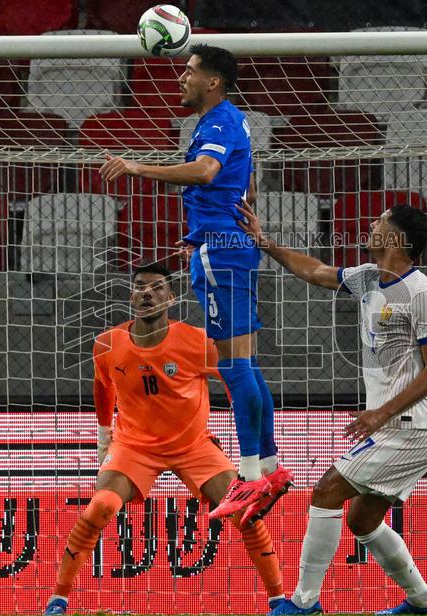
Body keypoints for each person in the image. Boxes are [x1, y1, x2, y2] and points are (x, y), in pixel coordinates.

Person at [99, 44, 290, 524]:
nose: (181, 78)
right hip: (224, 245)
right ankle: (268, 468)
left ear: (213, 81)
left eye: (189, 71)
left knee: (233, 366)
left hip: (221, 253)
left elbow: (206, 172)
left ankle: (248, 479)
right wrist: (228, 221)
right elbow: (245, 179)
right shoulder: (230, 120)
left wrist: (137, 167)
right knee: (244, 362)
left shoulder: (220, 121)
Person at [237, 201, 427, 616]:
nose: (371, 224)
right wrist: (265, 244)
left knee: (327, 490)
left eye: (380, 220)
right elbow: (316, 272)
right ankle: (424, 604)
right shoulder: (371, 278)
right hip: (398, 423)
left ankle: (302, 603)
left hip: (416, 424)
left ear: (397, 239)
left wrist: (380, 413)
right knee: (361, 521)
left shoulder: (422, 293)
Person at [44, 262, 285, 615]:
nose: (147, 293)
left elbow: (242, 386)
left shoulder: (198, 341)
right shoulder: (107, 344)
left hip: (193, 446)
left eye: (157, 288)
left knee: (246, 513)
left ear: (171, 298)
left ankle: (279, 601)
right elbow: (102, 387)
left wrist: (247, 443)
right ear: (130, 296)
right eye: (140, 286)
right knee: (100, 508)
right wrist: (102, 435)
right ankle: (58, 600)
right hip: (133, 446)